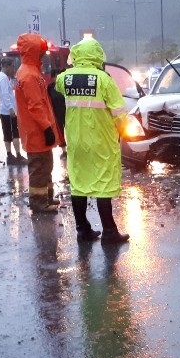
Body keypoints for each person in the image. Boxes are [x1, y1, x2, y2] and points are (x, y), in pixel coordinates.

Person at [56, 37, 129, 243]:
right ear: (97, 55)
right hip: (101, 141)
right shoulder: (104, 79)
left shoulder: (65, 78)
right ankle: (109, 232)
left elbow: (57, 90)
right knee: (103, 184)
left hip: (76, 141)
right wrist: (121, 133)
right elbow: (120, 114)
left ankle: (82, 230)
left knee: (78, 184)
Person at [14, 33, 63, 213]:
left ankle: (47, 197)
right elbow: (35, 106)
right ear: (34, 51)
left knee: (46, 166)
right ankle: (38, 202)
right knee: (39, 168)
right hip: (37, 131)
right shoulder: (29, 75)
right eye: (41, 51)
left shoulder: (29, 72)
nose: (43, 54)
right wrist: (46, 128)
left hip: (37, 130)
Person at [0, 57, 26, 164]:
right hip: (8, 110)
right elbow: (5, 95)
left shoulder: (1, 77)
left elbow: (12, 88)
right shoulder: (3, 78)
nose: (13, 69)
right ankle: (18, 155)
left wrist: (14, 79)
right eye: (12, 67)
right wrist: (11, 109)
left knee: (7, 132)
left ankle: (9, 155)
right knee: (15, 133)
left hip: (3, 110)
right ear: (6, 66)